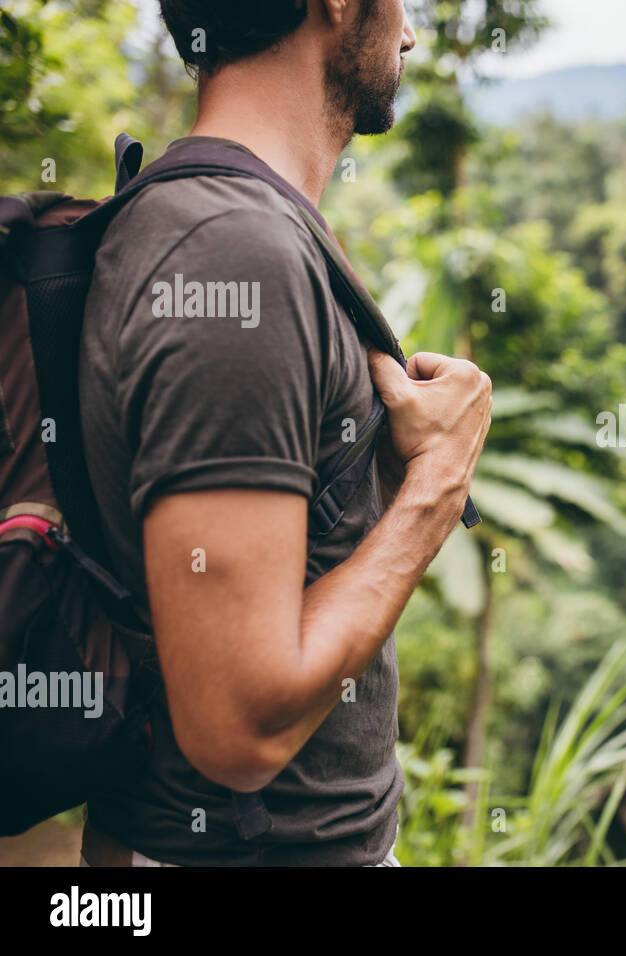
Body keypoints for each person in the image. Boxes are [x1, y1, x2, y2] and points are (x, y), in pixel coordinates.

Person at [76, 0, 491, 865]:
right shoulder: (233, 252)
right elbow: (238, 724)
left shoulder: (238, 223)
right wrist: (437, 487)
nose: (409, 31)